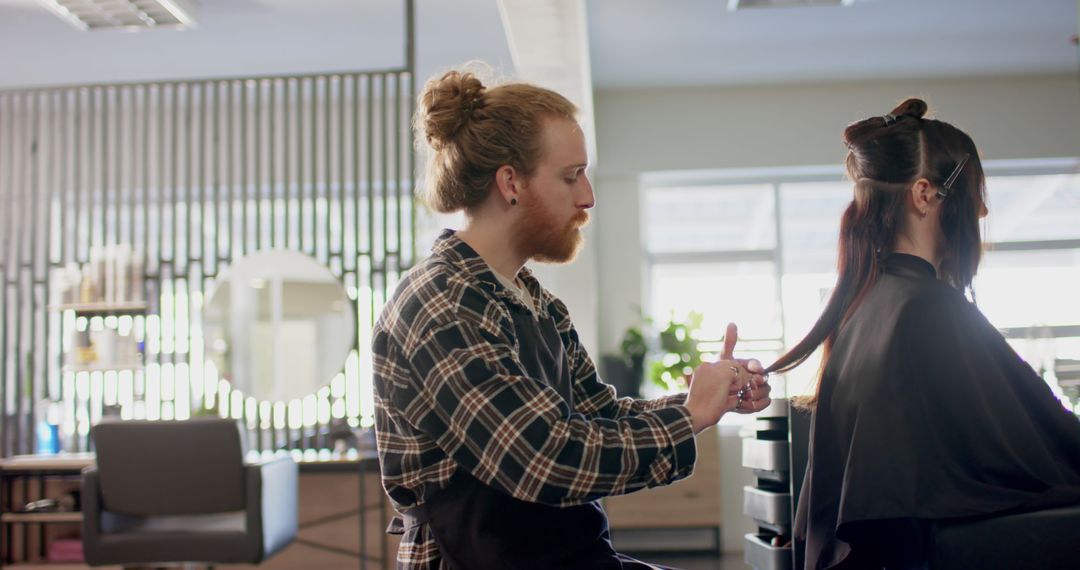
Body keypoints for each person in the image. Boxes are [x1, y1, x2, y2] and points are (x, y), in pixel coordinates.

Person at [371, 68, 771, 569]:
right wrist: (687, 417)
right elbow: (541, 458)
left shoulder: (534, 302)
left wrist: (708, 400)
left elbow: (598, 419)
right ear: (510, 182)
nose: (587, 198)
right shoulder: (441, 304)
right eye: (570, 176)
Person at [766, 98, 1080, 569]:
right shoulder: (926, 307)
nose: (980, 211)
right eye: (973, 190)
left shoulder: (867, 306)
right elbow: (1033, 450)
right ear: (923, 194)